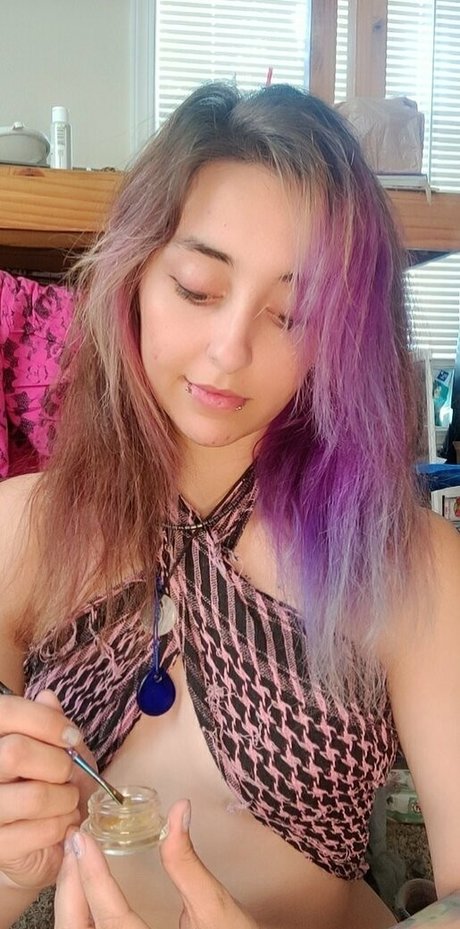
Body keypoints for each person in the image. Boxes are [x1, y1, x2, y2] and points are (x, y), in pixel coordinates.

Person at [0, 81, 459, 929]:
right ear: (135, 276)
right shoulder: (19, 532)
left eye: (293, 312)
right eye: (198, 287)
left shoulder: (410, 563)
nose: (229, 350)